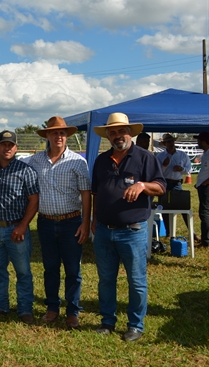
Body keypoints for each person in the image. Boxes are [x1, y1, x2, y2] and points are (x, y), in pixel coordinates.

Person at [91, 112, 165, 342]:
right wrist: (94, 219)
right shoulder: (102, 160)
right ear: (107, 136)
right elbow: (96, 192)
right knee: (106, 278)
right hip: (103, 229)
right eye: (112, 132)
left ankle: (135, 325)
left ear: (130, 133)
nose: (117, 135)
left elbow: (161, 187)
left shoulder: (145, 157)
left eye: (121, 131)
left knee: (136, 280)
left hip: (132, 230)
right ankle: (107, 321)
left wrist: (143, 185)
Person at [26, 116, 91, 329]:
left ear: (67, 136)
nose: (59, 136)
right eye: (54, 133)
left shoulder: (78, 161)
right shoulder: (35, 161)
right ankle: (52, 307)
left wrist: (86, 223)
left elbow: (86, 194)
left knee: (73, 269)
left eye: (62, 133)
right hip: (45, 222)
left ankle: (72, 311)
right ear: (47, 136)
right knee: (50, 268)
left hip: (71, 222)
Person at [0, 130, 39, 324]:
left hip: (16, 228)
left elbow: (34, 200)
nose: (7, 148)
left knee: (23, 271)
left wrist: (24, 225)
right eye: (3, 144)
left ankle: (25, 309)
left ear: (16, 148)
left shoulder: (25, 170)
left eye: (11, 145)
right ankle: (1, 306)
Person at [155, 133, 193, 237]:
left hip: (177, 183)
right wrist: (164, 165)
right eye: (168, 142)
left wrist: (182, 169)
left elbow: (189, 169)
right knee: (164, 208)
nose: (171, 143)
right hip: (165, 183)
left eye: (172, 141)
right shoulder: (160, 156)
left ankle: (191, 232)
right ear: (165, 144)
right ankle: (168, 232)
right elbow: (157, 172)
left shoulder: (182, 155)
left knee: (183, 207)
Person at [194, 131, 209, 248]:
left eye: (198, 141)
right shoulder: (206, 154)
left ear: (204, 142)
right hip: (203, 186)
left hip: (207, 187)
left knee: (205, 213)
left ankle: (206, 241)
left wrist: (205, 183)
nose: (197, 143)